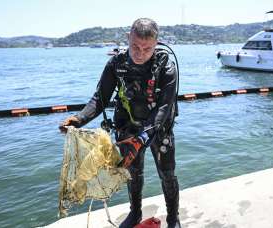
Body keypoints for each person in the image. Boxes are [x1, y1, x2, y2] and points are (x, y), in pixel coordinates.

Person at [59, 18, 181, 228]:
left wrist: (143, 137)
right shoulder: (116, 64)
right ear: (128, 38)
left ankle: (172, 218)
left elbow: (164, 107)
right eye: (135, 46)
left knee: (168, 174)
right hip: (128, 128)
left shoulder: (166, 67)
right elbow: (100, 99)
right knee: (133, 174)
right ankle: (135, 213)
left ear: (156, 43)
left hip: (158, 128)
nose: (140, 53)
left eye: (147, 48)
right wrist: (79, 119)